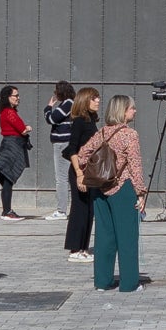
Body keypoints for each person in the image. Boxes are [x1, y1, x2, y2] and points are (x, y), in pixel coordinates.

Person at [75, 93, 147, 290]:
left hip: (99, 189)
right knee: (127, 237)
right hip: (122, 188)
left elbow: (82, 154)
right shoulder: (130, 135)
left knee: (104, 237)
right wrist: (141, 192)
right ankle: (129, 283)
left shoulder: (102, 133)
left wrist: (88, 171)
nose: (135, 111)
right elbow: (135, 165)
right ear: (123, 111)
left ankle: (102, 281)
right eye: (132, 108)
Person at [63, 85, 102, 258]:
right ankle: (74, 249)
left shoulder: (91, 121)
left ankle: (84, 248)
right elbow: (72, 149)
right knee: (79, 208)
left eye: (98, 98)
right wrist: (78, 173)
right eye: (94, 98)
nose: (98, 101)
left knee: (89, 209)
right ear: (85, 101)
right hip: (80, 171)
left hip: (90, 171)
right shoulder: (79, 121)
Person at [0, 84, 31, 217]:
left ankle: (7, 209)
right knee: (9, 177)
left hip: (10, 144)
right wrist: (28, 127)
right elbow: (22, 129)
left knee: (7, 179)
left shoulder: (6, 112)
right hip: (12, 145)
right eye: (15, 95)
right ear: (8, 97)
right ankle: (7, 211)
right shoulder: (9, 112)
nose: (18, 98)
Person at [44, 80, 77, 216]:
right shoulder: (70, 104)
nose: (55, 94)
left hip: (62, 143)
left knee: (61, 178)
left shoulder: (67, 104)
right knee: (69, 177)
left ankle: (61, 210)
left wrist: (48, 107)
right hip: (66, 143)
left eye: (56, 91)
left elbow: (51, 119)